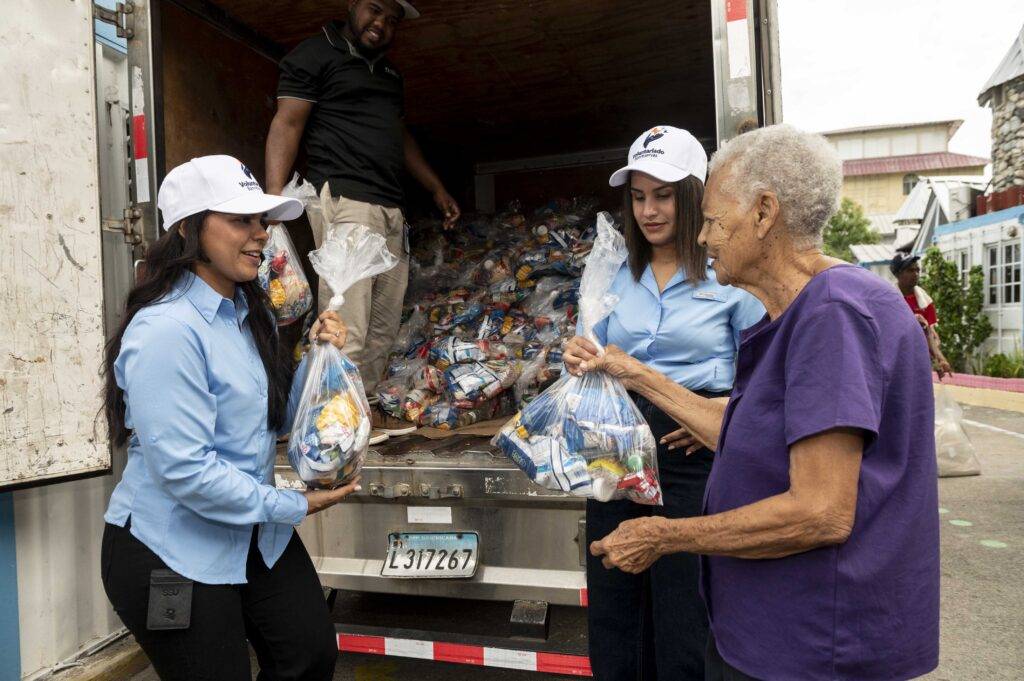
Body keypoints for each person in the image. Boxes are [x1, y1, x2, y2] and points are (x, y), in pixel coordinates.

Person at [580, 125, 939, 680]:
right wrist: (634, 373)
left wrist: (666, 536)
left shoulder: (833, 316)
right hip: (773, 633)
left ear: (765, 214)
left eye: (715, 221)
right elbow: (753, 432)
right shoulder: (809, 309)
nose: (702, 239)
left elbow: (820, 512)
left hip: (814, 643)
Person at [101, 155, 362, 681]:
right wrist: (293, 503)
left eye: (262, 221)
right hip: (171, 549)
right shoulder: (167, 331)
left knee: (309, 655)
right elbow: (187, 473)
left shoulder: (250, 314)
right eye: (240, 220)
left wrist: (321, 362)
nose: (261, 235)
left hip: (249, 530)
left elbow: (275, 421)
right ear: (187, 230)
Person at [562, 126, 764, 680]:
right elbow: (589, 351)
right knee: (614, 600)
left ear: (696, 194)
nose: (649, 210)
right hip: (618, 448)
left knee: (684, 609)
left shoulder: (730, 276)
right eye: (638, 196)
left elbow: (767, 373)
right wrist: (576, 355)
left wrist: (718, 416)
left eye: (665, 194)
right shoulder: (611, 273)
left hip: (692, 449)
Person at [265, 0, 460, 410]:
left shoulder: (390, 74)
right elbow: (287, 123)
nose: (382, 24)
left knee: (382, 327)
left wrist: (435, 188)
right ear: (352, 4)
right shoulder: (314, 54)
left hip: (392, 209)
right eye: (375, 10)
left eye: (392, 20)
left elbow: (398, 134)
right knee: (345, 324)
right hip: (347, 200)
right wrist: (272, 204)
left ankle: (357, 418)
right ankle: (331, 422)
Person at [891, 252, 953, 378]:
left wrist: (939, 360)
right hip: (895, 360)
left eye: (917, 270)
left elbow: (929, 335)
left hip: (918, 360)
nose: (915, 274)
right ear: (898, 274)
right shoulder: (889, 299)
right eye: (910, 270)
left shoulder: (925, 301)